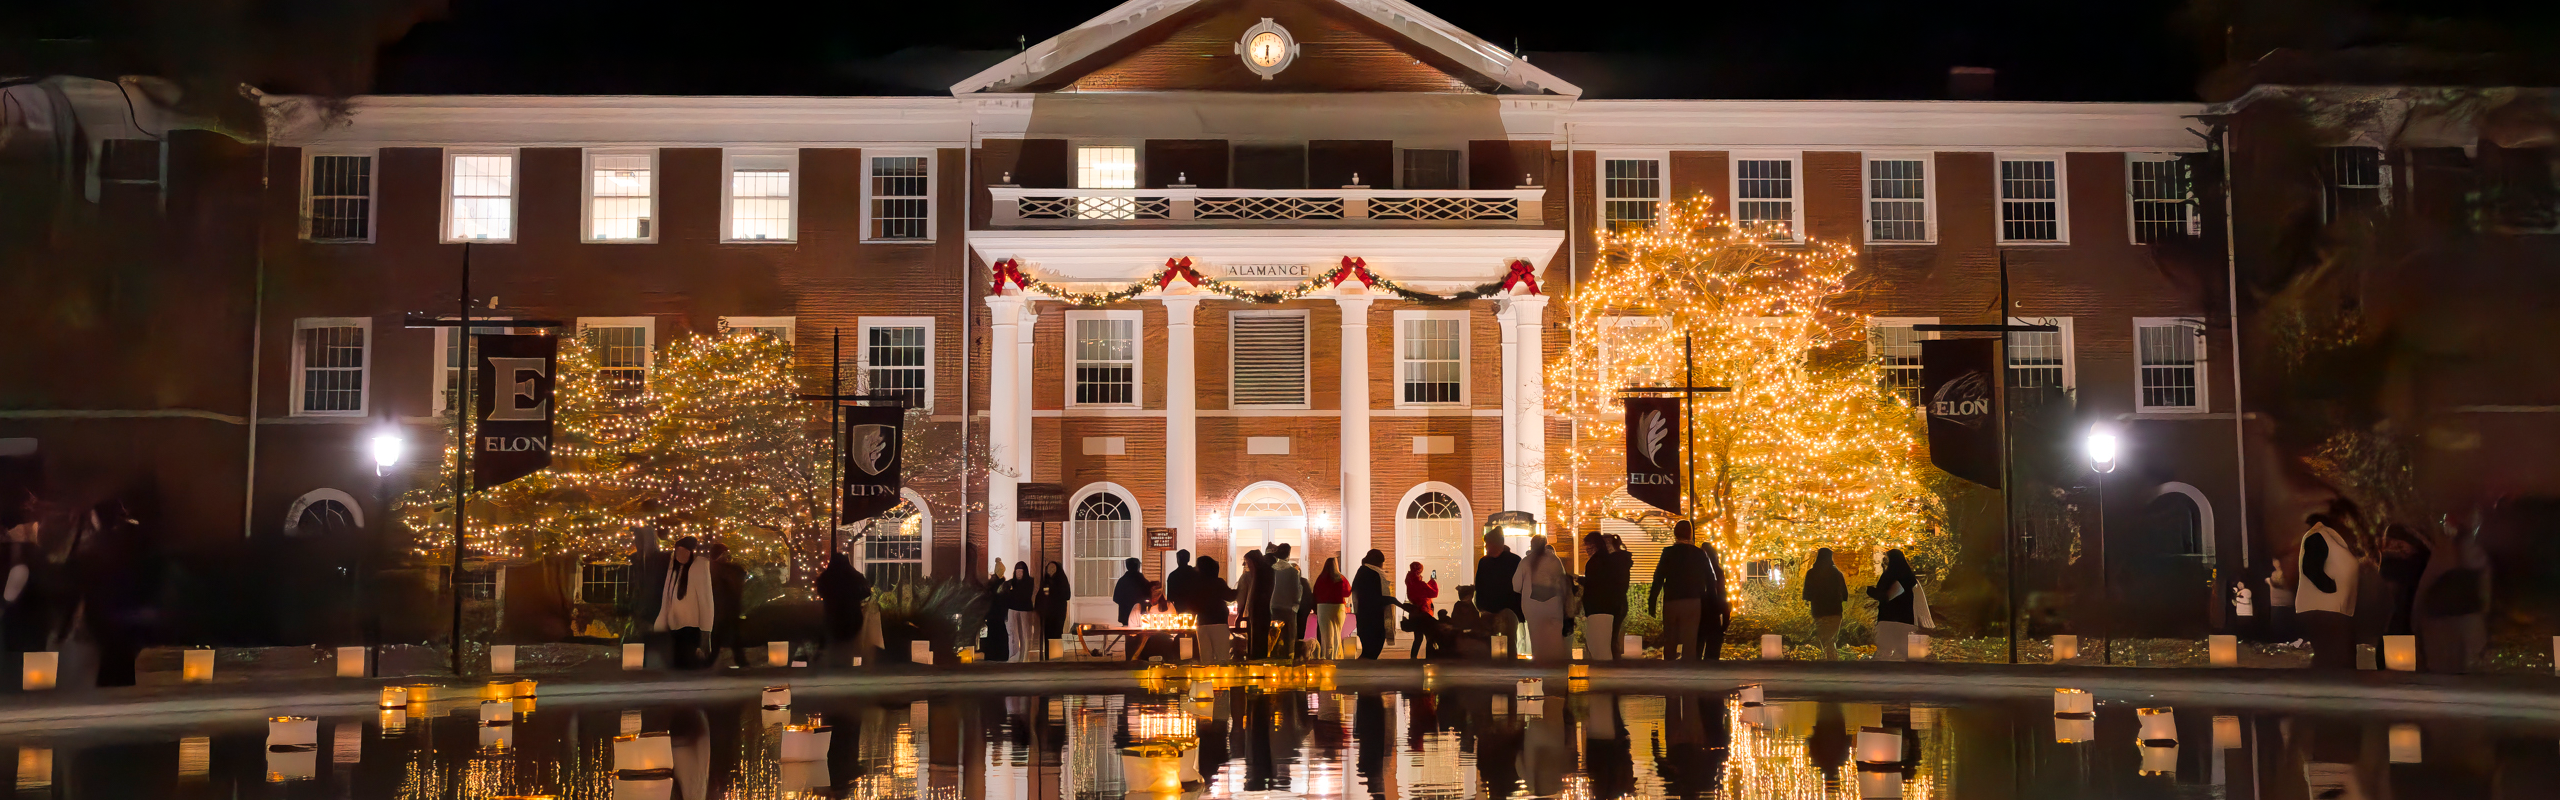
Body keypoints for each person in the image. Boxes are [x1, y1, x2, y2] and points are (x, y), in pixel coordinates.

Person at [2415, 512, 2490, 674]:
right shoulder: (2442, 553)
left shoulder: (2467, 550)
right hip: (2446, 615)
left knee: (2464, 666)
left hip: (2462, 614)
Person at [2294, 513, 2359, 669]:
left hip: (2330, 608)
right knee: (2333, 656)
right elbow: (2311, 567)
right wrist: (2330, 589)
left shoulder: (2329, 539)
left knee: (2336, 656)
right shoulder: (2319, 537)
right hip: (2324, 608)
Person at [1649, 521, 1710, 661]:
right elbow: (1709, 578)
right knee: (1690, 639)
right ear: (1690, 534)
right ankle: (1688, 670)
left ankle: (1669, 669)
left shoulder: (1668, 553)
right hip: (1693, 600)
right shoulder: (1699, 553)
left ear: (1675, 533)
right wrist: (1707, 600)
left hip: (1672, 599)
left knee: (1670, 637)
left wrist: (1652, 600)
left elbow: (1658, 577)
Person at [654, 536, 717, 669]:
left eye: (684, 551)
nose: (680, 555)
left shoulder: (698, 567)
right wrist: (660, 626)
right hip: (675, 625)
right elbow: (666, 599)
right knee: (677, 664)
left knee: (689, 664)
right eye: (678, 551)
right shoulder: (674, 570)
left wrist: (706, 632)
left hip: (691, 627)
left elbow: (705, 600)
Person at [1512, 535, 1570, 663]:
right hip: (1554, 604)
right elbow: (1563, 583)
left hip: (1532, 606)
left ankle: (1540, 663)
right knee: (1554, 636)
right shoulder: (1555, 560)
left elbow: (1516, 586)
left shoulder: (1526, 561)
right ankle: (1556, 662)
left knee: (1537, 637)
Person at [815, 549, 872, 667]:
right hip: (852, 615)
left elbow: (820, 590)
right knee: (850, 644)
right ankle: (850, 666)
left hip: (832, 615)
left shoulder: (827, 577)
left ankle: (835, 666)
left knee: (835, 643)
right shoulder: (854, 576)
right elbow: (866, 591)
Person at [1580, 533, 1631, 660]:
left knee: (1607, 641)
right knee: (1610, 639)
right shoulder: (1614, 562)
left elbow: (1596, 584)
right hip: (1615, 603)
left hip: (1608, 605)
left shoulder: (1605, 562)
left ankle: (1612, 667)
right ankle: (1614, 666)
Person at [1475, 529, 1522, 653]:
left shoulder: (1513, 561)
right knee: (1489, 641)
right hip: (1491, 609)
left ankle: (1510, 665)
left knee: (1509, 639)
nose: (1485, 547)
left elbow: (1519, 586)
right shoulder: (1485, 562)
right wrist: (1481, 606)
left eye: (1488, 544)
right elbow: (1479, 585)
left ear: (1495, 544)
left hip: (1507, 608)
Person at [1867, 549, 1919, 660]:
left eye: (1887, 558)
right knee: (1901, 652)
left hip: (1892, 618)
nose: (1884, 560)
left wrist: (1872, 592)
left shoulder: (1897, 576)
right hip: (1904, 618)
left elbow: (1889, 596)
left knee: (1889, 651)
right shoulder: (1906, 575)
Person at [1802, 548, 1848, 660]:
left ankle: (1826, 657)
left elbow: (1807, 592)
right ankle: (1832, 657)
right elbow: (1844, 593)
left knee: (1823, 635)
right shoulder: (1837, 574)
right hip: (1834, 609)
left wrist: (1809, 601)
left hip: (1818, 609)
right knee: (1831, 637)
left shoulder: (1811, 573)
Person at [708, 542, 750, 667]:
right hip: (724, 608)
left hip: (726, 608)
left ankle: (711, 660)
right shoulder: (719, 570)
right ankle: (739, 660)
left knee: (725, 635)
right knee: (723, 635)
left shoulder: (719, 569)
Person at [1351, 549, 1395, 659]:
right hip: (1373, 617)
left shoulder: (1363, 571)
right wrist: (1391, 600)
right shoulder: (1372, 573)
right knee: (1372, 649)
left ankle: (1361, 673)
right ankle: (1360, 672)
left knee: (1369, 650)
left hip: (1365, 616)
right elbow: (1375, 596)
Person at [1191, 556, 1236, 662]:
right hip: (1218, 621)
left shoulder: (1195, 584)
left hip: (1202, 622)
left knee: (1205, 657)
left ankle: (1207, 677)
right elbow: (1230, 597)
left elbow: (1191, 603)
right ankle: (1222, 677)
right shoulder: (1218, 582)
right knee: (1222, 656)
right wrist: (1241, 589)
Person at [1696, 528, 1731, 661]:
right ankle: (1711, 665)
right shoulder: (1718, 570)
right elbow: (1722, 592)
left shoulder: (1698, 570)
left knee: (1698, 642)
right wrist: (1726, 614)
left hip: (1700, 608)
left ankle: (1696, 665)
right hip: (1714, 608)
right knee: (1713, 644)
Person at [1267, 543, 1304, 659]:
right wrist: (1296, 605)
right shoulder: (1293, 572)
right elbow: (1296, 591)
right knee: (1289, 637)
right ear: (1288, 554)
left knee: (1274, 636)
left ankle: (1274, 656)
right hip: (1288, 608)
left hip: (1274, 607)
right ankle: (1288, 658)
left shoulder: (1271, 570)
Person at [1312, 558, 1350, 660]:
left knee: (1326, 634)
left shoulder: (1321, 578)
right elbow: (1347, 592)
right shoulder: (1341, 578)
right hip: (1338, 607)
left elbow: (1315, 593)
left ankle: (1327, 657)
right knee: (1337, 632)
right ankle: (1337, 656)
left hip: (1323, 607)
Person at [1002, 562, 1039, 662]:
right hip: (1013, 609)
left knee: (1025, 635)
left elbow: (1024, 595)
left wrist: (1012, 593)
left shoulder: (1029, 582)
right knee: (1013, 634)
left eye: (1021, 572)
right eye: (1017, 571)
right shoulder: (1011, 582)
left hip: (1025, 610)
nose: (1019, 574)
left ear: (1024, 572)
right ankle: (1014, 656)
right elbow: (1006, 594)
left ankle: (1024, 657)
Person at [1404, 562, 1439, 658]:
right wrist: (1432, 581)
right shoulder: (1421, 584)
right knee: (1430, 636)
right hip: (1424, 613)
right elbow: (1433, 593)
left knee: (1418, 638)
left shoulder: (1409, 582)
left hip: (1415, 613)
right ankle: (1429, 657)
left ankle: (1413, 657)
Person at [1036, 560, 1072, 644]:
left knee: (1056, 634)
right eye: (1049, 569)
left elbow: (1067, 595)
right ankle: (1048, 655)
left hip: (1058, 613)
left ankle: (1055, 655)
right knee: (1047, 635)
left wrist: (1053, 591)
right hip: (1047, 614)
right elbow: (1040, 596)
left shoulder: (1061, 580)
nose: (1051, 571)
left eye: (1053, 568)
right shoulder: (1046, 581)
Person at [1112, 556, 1149, 627]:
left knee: (1129, 634)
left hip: (1126, 614)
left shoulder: (1122, 581)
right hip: (1141, 613)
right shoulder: (1144, 582)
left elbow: (1116, 598)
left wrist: (1125, 603)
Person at [1166, 549, 1199, 615]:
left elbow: (1170, 597)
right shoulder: (1196, 574)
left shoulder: (1173, 575)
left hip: (1178, 607)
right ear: (1188, 559)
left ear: (1177, 560)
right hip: (1194, 607)